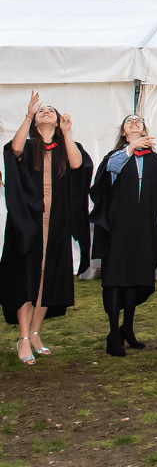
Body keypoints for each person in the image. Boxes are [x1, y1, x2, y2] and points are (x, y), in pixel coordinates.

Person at [1, 93, 92, 364]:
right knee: (26, 277)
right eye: (42, 111)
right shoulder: (29, 145)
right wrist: (28, 114)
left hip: (57, 223)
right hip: (28, 222)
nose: (46, 111)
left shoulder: (66, 146)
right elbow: (14, 150)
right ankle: (23, 338)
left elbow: (77, 164)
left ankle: (35, 333)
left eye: (51, 110)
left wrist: (66, 132)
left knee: (47, 278)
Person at [90, 114, 157, 356]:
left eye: (139, 121)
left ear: (145, 130)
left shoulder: (156, 162)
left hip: (145, 228)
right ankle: (113, 334)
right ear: (123, 133)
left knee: (137, 278)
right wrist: (131, 148)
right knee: (116, 279)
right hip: (118, 228)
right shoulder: (116, 157)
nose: (135, 123)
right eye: (129, 122)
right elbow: (111, 169)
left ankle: (127, 327)